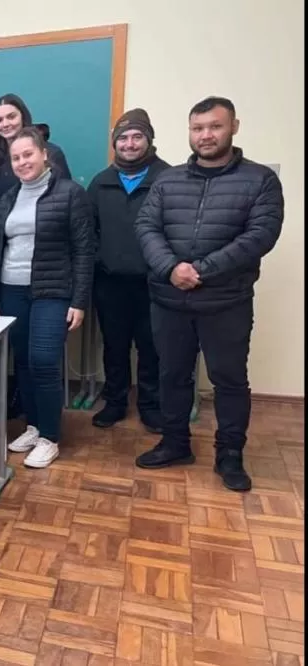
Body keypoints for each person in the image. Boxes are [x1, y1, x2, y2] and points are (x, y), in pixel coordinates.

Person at [134, 96, 284, 492]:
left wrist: (201, 270)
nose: (205, 135)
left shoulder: (260, 180)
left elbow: (260, 235)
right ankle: (175, 443)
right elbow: (147, 227)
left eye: (214, 127)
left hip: (226, 303)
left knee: (229, 381)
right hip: (169, 301)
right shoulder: (167, 180)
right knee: (172, 375)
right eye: (198, 128)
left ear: (234, 127)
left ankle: (230, 454)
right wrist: (171, 268)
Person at [0, 127, 94, 469]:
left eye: (28, 154)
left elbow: (84, 250)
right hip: (11, 289)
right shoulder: (8, 197)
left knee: (45, 360)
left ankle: (50, 437)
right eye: (16, 157)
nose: (22, 162)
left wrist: (79, 300)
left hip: (52, 290)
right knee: (24, 362)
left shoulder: (70, 193)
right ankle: (34, 426)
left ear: (44, 153)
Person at [87, 109, 169, 433]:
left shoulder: (168, 178)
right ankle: (116, 402)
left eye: (137, 137)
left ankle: (150, 405)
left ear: (148, 140)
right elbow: (88, 229)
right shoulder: (100, 182)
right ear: (115, 143)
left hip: (154, 282)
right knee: (114, 346)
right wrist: (98, 260)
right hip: (110, 283)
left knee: (151, 348)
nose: (130, 143)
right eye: (123, 138)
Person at [0, 94, 73, 210]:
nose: (5, 124)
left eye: (11, 117)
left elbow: (67, 199)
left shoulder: (51, 153)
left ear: (23, 117)